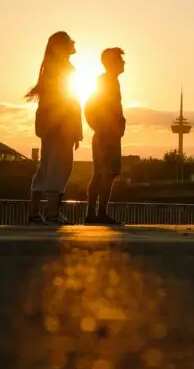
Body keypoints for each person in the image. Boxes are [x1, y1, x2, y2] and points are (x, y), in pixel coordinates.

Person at [26, 31, 83, 225]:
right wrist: (74, 130)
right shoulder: (64, 68)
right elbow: (69, 102)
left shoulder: (49, 68)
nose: (72, 43)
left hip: (49, 126)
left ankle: (35, 212)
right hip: (61, 127)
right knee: (59, 169)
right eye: (68, 41)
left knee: (46, 168)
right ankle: (52, 213)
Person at [84, 48, 127, 226]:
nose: (123, 63)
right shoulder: (106, 83)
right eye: (120, 60)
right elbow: (91, 106)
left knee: (103, 174)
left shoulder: (111, 82)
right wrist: (105, 127)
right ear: (112, 62)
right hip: (107, 136)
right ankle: (98, 213)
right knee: (105, 174)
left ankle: (94, 213)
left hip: (109, 134)